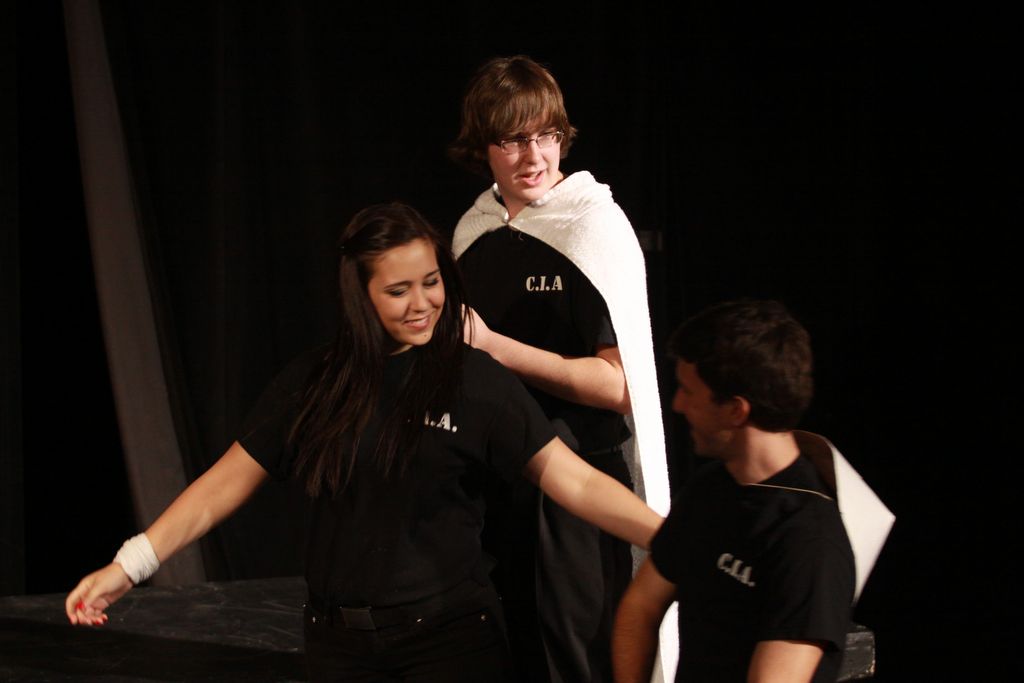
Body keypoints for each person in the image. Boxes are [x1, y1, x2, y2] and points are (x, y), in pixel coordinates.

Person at [65, 203, 663, 683]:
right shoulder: (316, 382)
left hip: (450, 644)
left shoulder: (475, 381)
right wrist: (130, 565)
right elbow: (223, 484)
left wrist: (668, 536)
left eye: (432, 282)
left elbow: (573, 479)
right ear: (361, 295)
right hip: (339, 649)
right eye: (398, 290)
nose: (423, 303)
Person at [449, 55, 672, 682]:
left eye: (545, 135)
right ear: (483, 146)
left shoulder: (591, 226)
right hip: (494, 480)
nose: (534, 156)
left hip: (576, 486)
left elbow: (621, 386)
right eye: (513, 140)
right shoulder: (473, 232)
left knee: (573, 660)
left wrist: (496, 347)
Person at [612, 299, 856, 683]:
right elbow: (640, 607)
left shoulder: (810, 541)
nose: (678, 405)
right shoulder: (710, 489)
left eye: (689, 391)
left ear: (736, 410)